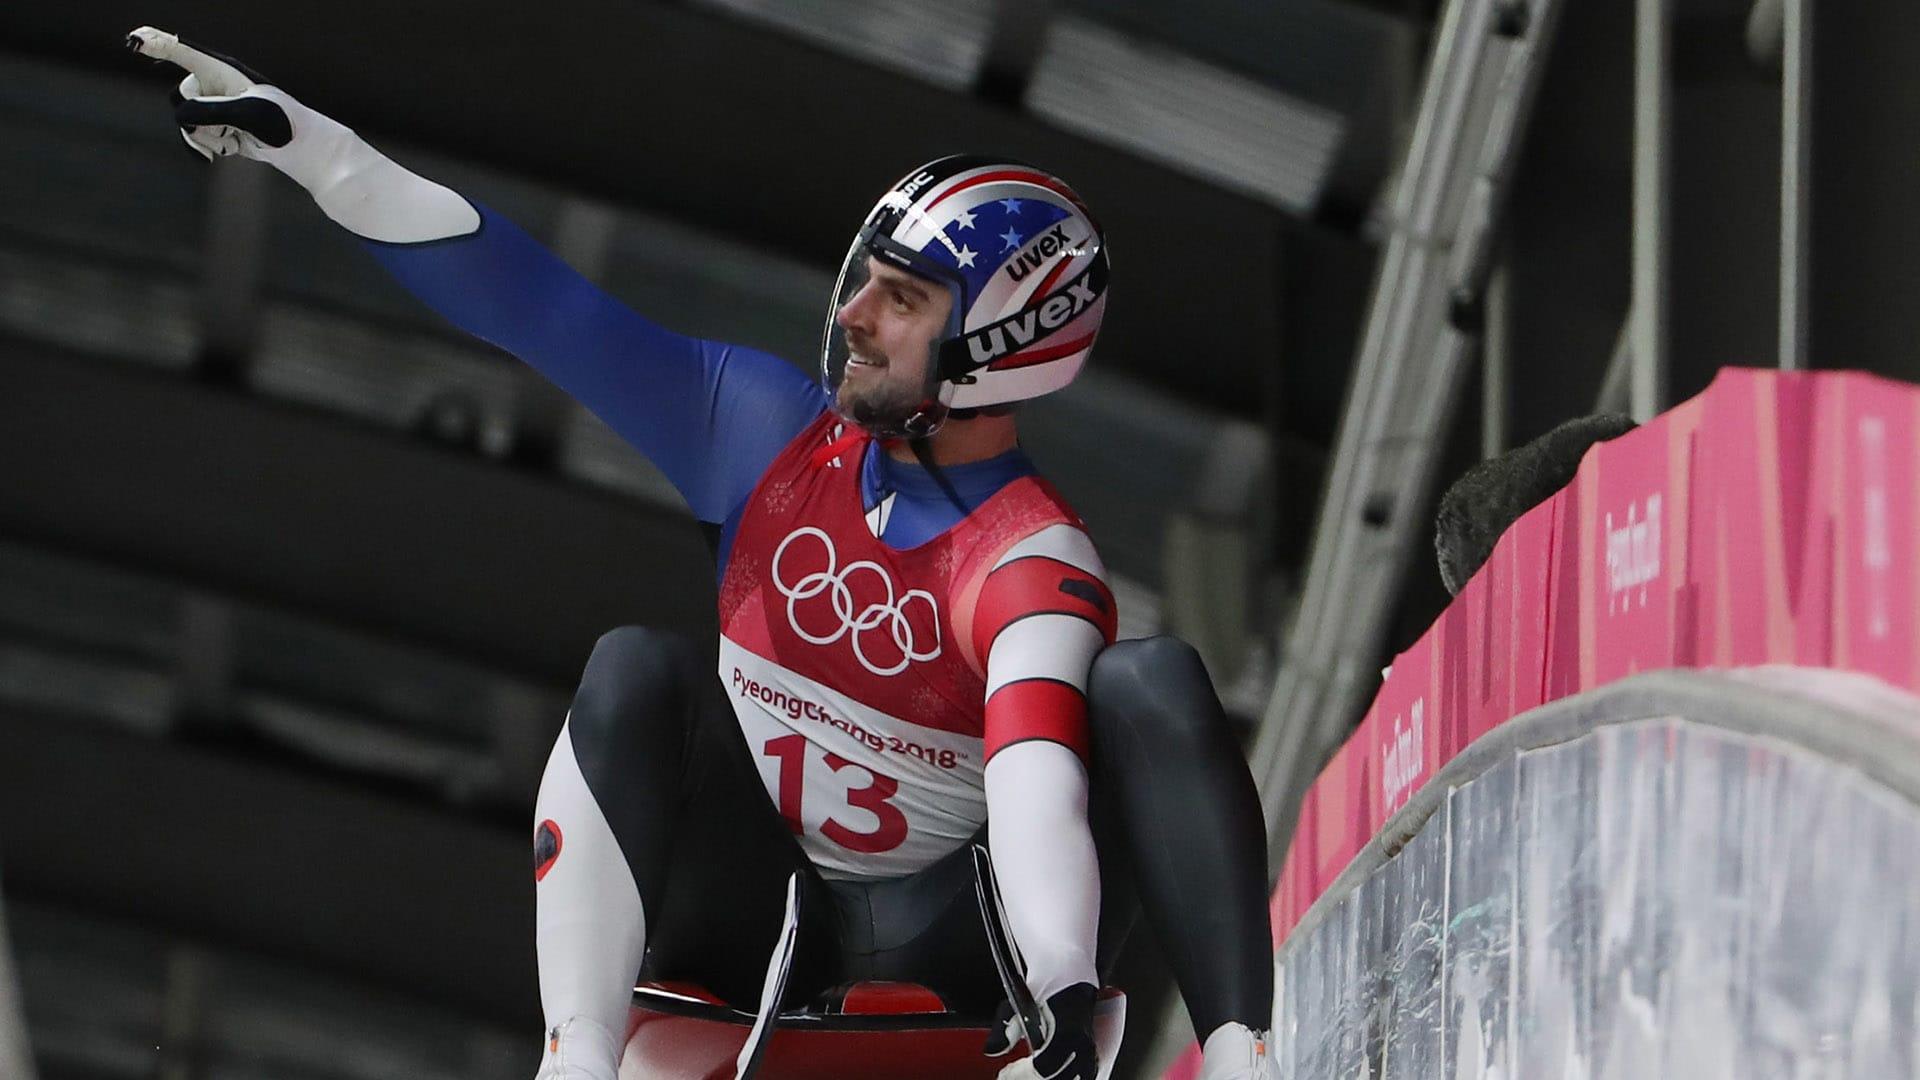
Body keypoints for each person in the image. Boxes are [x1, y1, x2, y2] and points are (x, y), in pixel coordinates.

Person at [128, 27, 1277, 1080]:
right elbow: (535, 306)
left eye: (907, 298)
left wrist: (1065, 986)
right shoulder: (761, 430)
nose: (859, 316)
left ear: (1004, 347)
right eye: (865, 279)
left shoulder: (1030, 552)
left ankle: (1241, 1053)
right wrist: (316, 151)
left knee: (1149, 685)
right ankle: (573, 1060)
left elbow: (1035, 782)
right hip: (751, 914)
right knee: (637, 667)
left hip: (970, 955)